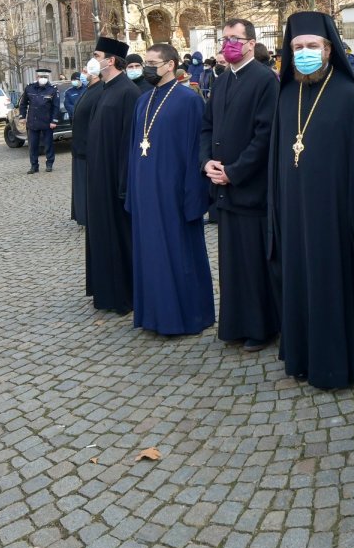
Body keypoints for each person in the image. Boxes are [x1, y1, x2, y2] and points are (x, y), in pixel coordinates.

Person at [267, 11, 354, 390]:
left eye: (312, 46)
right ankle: (303, 358)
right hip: (294, 216)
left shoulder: (350, 97)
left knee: (333, 286)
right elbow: (279, 157)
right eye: (297, 47)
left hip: (336, 221)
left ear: (329, 50)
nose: (305, 52)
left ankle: (340, 365)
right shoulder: (286, 93)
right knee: (298, 282)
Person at [201, 18, 280, 351]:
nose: (227, 44)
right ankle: (235, 324)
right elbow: (206, 127)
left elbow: (265, 136)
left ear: (250, 43)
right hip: (222, 186)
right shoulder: (220, 82)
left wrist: (234, 171)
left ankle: (262, 327)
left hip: (250, 187)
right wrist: (206, 162)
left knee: (253, 262)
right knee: (231, 263)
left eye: (234, 38)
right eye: (224, 39)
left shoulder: (265, 81)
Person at [126, 43, 215, 336]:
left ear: (170, 65)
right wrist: (132, 191)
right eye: (146, 62)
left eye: (153, 62)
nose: (148, 67)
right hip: (145, 193)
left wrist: (194, 195)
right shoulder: (143, 100)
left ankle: (186, 317)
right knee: (150, 256)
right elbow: (134, 149)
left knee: (179, 256)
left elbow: (196, 152)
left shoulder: (189, 100)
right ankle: (153, 316)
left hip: (174, 193)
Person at [85, 37, 142, 314]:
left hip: (115, 179)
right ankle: (105, 289)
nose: (92, 60)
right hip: (99, 175)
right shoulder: (106, 89)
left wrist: (124, 182)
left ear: (110, 60)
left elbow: (128, 141)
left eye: (96, 55)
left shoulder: (128, 92)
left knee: (119, 236)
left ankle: (124, 295)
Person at [69, 64, 103, 227]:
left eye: (84, 71)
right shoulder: (88, 89)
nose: (82, 75)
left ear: (94, 73)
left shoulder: (99, 90)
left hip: (88, 147)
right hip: (79, 147)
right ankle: (82, 215)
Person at [19, 69, 59, 174]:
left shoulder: (53, 89)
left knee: (48, 144)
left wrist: (54, 121)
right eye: (41, 77)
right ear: (37, 77)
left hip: (47, 122)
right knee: (33, 145)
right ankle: (34, 166)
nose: (43, 79)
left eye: (45, 77)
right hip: (33, 122)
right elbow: (23, 104)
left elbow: (56, 107)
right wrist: (22, 116)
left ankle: (49, 164)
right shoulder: (29, 88)